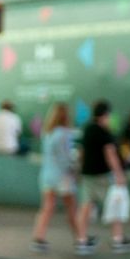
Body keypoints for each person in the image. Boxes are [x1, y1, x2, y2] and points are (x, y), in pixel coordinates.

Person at [76, 100, 130, 253]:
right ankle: (118, 239)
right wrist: (119, 174)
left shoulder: (87, 129)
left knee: (85, 207)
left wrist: (79, 170)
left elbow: (81, 153)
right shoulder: (104, 132)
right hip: (102, 176)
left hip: (87, 174)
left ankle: (81, 241)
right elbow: (111, 155)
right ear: (105, 115)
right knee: (114, 205)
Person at [30, 102, 82, 251]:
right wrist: (75, 170)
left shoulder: (47, 133)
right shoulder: (65, 133)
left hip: (47, 174)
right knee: (71, 208)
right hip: (63, 176)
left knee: (46, 208)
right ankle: (80, 238)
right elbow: (66, 158)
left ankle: (38, 238)